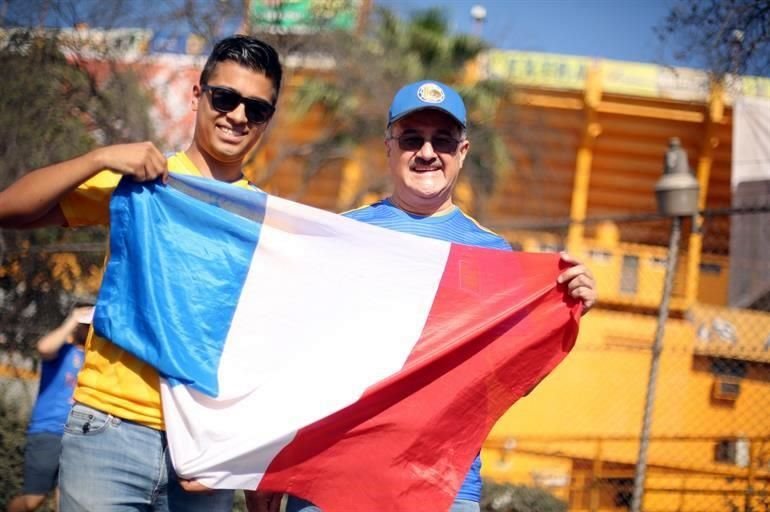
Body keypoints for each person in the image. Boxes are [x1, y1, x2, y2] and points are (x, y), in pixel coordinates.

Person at [277, 80, 597, 512]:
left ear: (462, 152)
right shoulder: (340, 235)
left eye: (442, 141)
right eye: (412, 139)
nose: (427, 153)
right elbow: (290, 356)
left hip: (442, 490)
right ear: (388, 147)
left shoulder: (493, 256)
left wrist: (564, 312)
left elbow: (511, 378)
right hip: (332, 483)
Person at [0, 35, 283, 511]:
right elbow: (11, 209)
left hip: (204, 452)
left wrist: (250, 463)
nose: (238, 116)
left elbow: (261, 348)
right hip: (108, 430)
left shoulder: (269, 220)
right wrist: (99, 158)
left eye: (256, 109)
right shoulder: (138, 178)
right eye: (225, 98)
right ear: (198, 95)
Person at [7, 305, 91, 512]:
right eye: (85, 324)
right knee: (33, 500)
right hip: (49, 432)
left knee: (67, 501)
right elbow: (44, 347)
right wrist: (73, 319)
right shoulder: (61, 351)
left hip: (79, 436)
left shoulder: (96, 358)